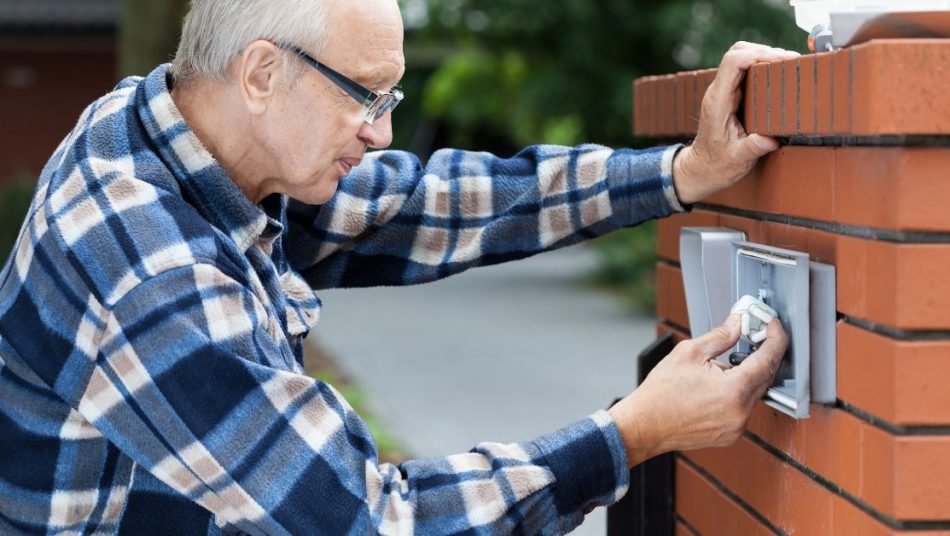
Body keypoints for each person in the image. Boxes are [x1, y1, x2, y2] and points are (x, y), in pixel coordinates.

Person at [0, 0, 795, 534]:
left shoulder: (174, 128)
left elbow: (425, 205)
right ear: (262, 73)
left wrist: (681, 173)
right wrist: (634, 433)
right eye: (368, 97)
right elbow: (369, 521)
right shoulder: (148, 270)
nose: (381, 134)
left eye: (392, 100)